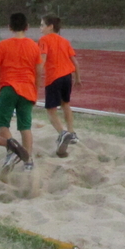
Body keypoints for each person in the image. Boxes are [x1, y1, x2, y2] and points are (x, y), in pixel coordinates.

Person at [0, 12, 43, 172]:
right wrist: (35, 88)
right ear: (27, 27)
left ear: (9, 27)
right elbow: (38, 70)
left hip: (9, 88)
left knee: (2, 125)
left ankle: (12, 149)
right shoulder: (34, 46)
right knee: (25, 127)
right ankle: (28, 161)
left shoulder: (3, 45)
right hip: (28, 89)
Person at [38, 14, 81, 157]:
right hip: (67, 76)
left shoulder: (44, 40)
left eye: (42, 25)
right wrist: (78, 77)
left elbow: (42, 59)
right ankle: (72, 132)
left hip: (53, 78)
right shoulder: (65, 41)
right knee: (65, 104)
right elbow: (75, 62)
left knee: (50, 110)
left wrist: (36, 76)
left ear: (50, 26)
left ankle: (62, 133)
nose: (40, 28)